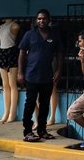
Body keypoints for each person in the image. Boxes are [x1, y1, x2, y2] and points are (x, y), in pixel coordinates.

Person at [18, 9, 63, 142]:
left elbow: (60, 54)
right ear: (36, 20)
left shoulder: (54, 35)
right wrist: (20, 72)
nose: (41, 21)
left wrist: (58, 70)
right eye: (39, 19)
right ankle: (27, 131)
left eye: (44, 18)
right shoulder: (29, 35)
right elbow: (21, 53)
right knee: (30, 103)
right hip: (31, 75)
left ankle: (42, 130)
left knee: (44, 104)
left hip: (47, 76)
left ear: (49, 20)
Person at [0, 18, 20, 123]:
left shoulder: (15, 26)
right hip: (2, 51)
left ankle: (12, 112)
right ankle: (5, 112)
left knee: (12, 84)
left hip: (11, 51)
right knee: (5, 85)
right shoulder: (1, 27)